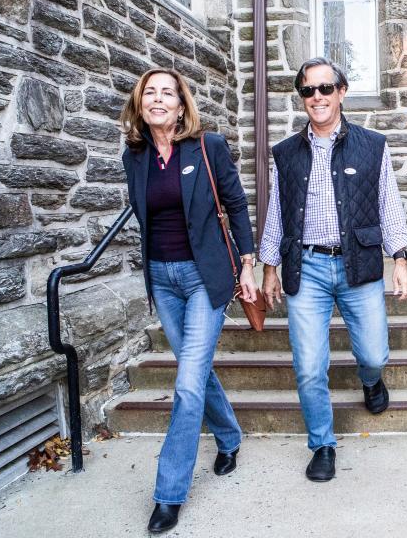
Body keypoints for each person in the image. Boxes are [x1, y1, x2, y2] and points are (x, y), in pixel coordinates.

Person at [260, 57, 407, 482]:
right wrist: (269, 267)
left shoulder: (372, 145)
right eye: (308, 91)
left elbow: (389, 204)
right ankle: (322, 444)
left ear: (341, 92)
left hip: (358, 264)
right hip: (305, 267)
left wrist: (400, 258)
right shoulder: (286, 154)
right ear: (302, 97)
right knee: (309, 366)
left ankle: (371, 380)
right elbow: (277, 212)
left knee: (373, 353)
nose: (317, 98)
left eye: (325, 88)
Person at [120, 68, 258, 533]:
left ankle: (168, 493)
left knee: (186, 383)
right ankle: (229, 435)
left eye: (168, 93)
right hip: (162, 277)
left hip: (205, 278)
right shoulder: (134, 155)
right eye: (150, 93)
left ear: (182, 105)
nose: (158, 99)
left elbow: (236, 205)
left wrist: (248, 262)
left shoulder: (208, 147)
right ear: (141, 104)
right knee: (194, 372)